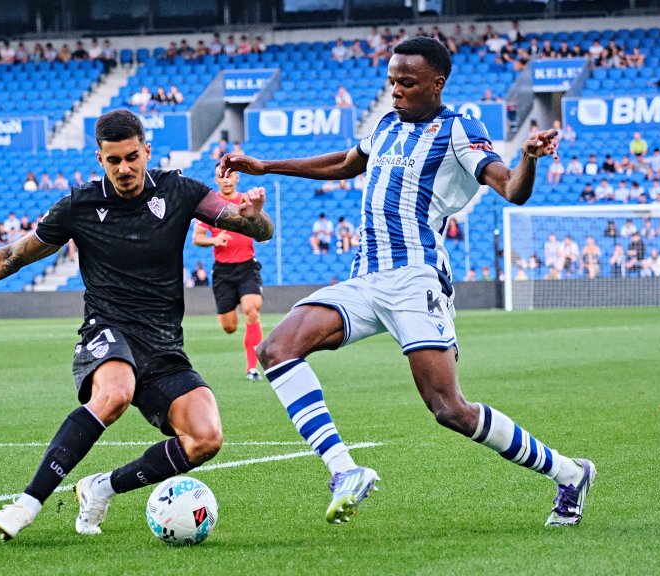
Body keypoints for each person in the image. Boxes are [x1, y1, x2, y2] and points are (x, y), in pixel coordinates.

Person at [219, 37, 594, 527]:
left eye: (407, 83)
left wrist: (529, 159)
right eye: (392, 81)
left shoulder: (459, 129)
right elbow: (345, 164)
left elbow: (510, 187)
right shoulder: (386, 126)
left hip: (416, 279)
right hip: (366, 278)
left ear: (437, 84)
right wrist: (267, 166)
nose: (396, 90)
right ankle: (345, 471)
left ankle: (569, 473)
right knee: (276, 350)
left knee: (449, 409)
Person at [0, 110, 273, 542]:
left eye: (132, 157)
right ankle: (26, 504)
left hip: (163, 344)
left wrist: (254, 216)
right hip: (107, 329)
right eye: (114, 160)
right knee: (116, 392)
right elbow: (11, 257)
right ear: (100, 159)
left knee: (206, 437)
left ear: (147, 152)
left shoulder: (179, 190)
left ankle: (100, 488)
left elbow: (259, 230)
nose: (124, 168)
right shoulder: (79, 205)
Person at [193, 165, 268, 381]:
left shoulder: (247, 201)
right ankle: (233, 314)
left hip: (247, 267)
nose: (226, 180)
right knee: (229, 327)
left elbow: (262, 228)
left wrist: (261, 231)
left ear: (237, 178)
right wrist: (214, 240)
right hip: (223, 271)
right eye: (221, 176)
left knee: (252, 309)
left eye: (230, 175)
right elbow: (197, 238)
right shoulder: (210, 205)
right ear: (216, 180)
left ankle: (252, 368)